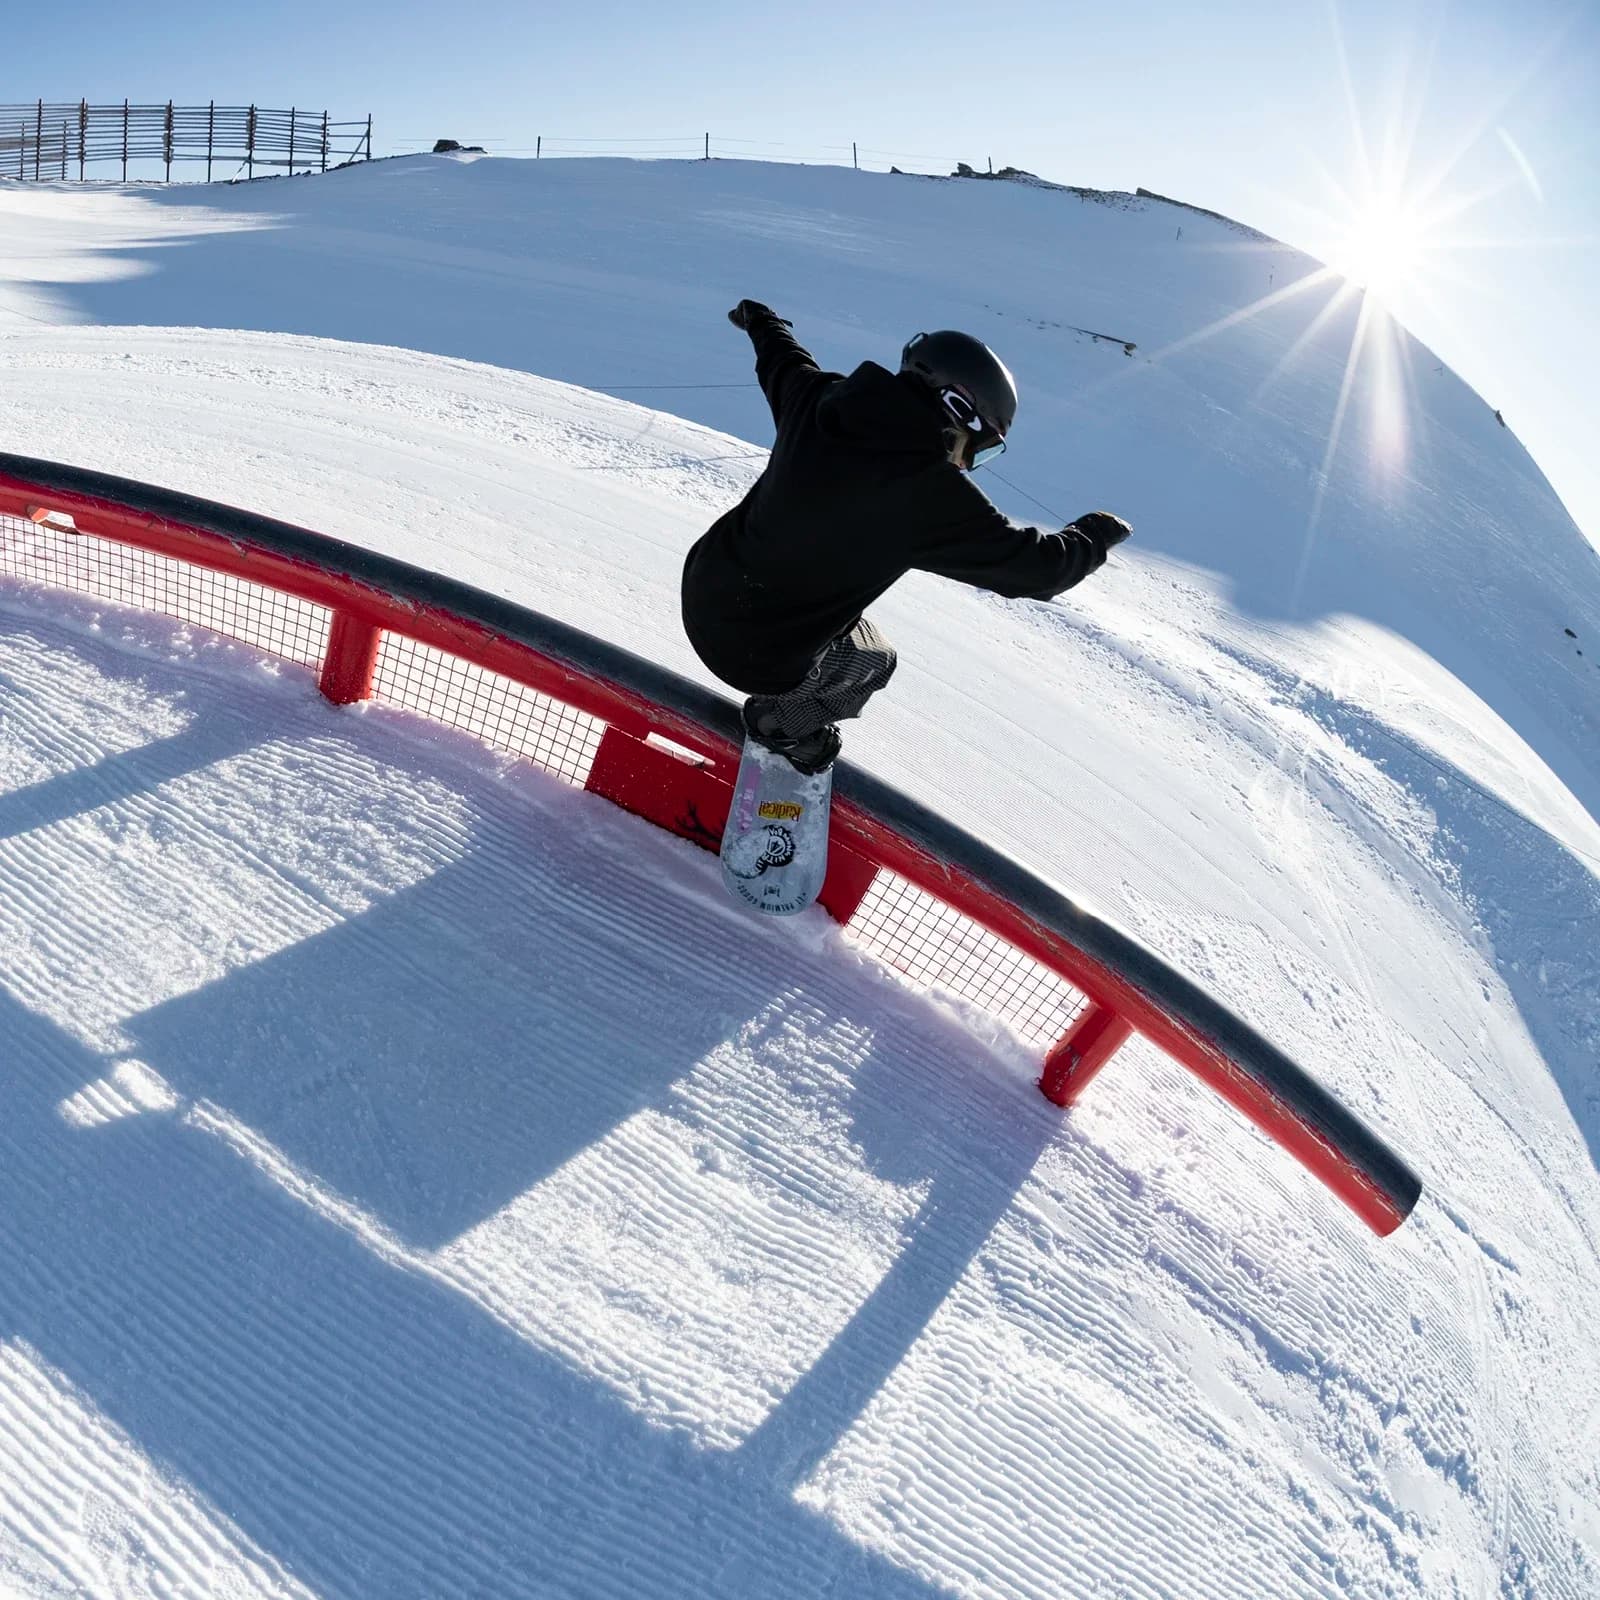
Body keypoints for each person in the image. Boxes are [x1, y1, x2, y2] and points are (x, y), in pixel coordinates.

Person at [680, 300, 1132, 773]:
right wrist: (1094, 533)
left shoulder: (818, 398)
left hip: (703, 587)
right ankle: (781, 726)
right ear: (956, 409)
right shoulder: (930, 492)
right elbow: (1039, 571)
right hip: (751, 655)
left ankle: (787, 696)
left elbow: (782, 358)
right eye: (977, 449)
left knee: (824, 594)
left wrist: (762, 322)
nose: (964, 463)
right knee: (873, 661)